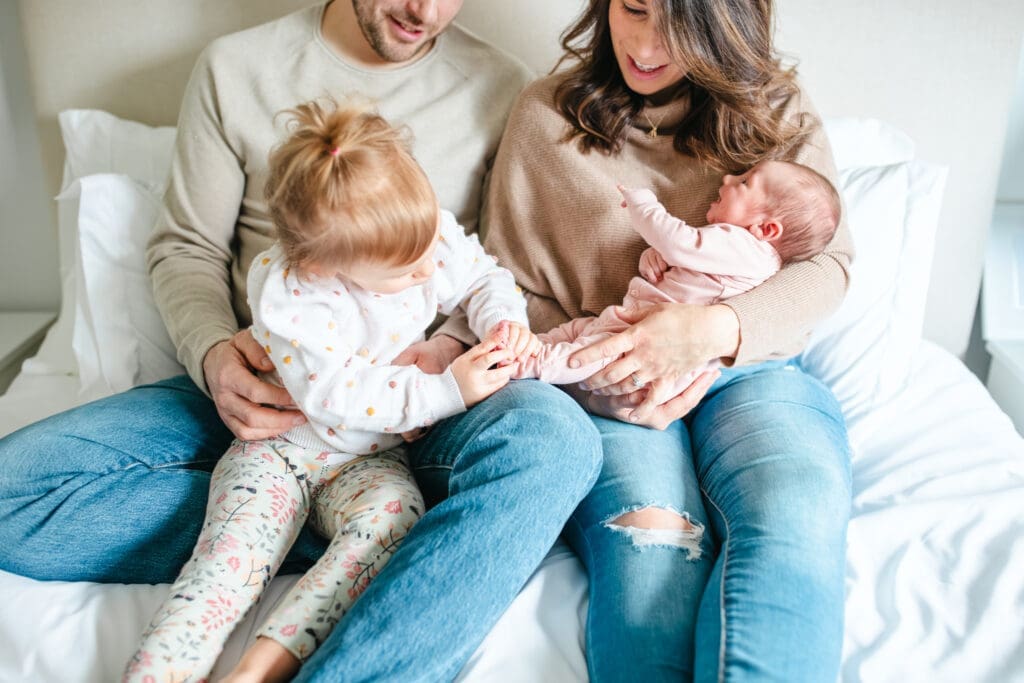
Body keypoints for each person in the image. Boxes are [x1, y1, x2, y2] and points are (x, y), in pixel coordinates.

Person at [0, 2, 603, 681]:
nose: (425, 10)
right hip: (276, 394)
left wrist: (467, 342)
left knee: (558, 439)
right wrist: (213, 356)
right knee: (10, 490)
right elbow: (186, 247)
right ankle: (290, 530)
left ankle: (307, 588)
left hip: (424, 404)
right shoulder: (237, 73)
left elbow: (491, 263)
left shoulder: (502, 88)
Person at [482, 0, 854, 680]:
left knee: (794, 513)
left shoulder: (774, 109)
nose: (648, 44)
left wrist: (709, 330)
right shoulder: (545, 118)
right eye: (633, 8)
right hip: (616, 384)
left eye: (680, 25)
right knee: (654, 550)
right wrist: (599, 368)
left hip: (753, 373)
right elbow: (510, 287)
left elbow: (829, 267)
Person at [123, 100, 539, 683]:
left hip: (368, 459)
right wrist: (448, 390)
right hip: (283, 449)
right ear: (322, 266)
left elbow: (482, 276)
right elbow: (340, 397)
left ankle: (263, 667)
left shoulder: (419, 236)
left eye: (427, 251)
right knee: (227, 565)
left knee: (394, 522)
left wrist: (502, 322)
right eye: (404, 272)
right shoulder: (294, 296)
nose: (426, 272)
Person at [512, 160, 842, 391]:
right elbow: (686, 264)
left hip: (648, 342)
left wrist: (645, 206)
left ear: (766, 228)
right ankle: (530, 348)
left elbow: (680, 243)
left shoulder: (743, 246)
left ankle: (528, 362)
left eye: (744, 182)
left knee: (588, 351)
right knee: (579, 333)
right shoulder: (745, 256)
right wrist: (654, 259)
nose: (727, 179)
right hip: (636, 326)